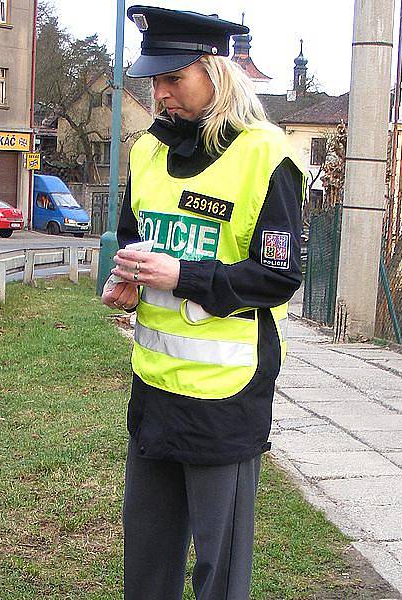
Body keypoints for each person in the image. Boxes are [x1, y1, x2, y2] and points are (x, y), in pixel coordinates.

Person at [101, 6, 304, 600]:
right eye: (154, 81)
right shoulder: (147, 152)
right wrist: (129, 279)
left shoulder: (267, 155)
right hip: (155, 390)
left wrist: (181, 274)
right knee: (147, 560)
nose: (160, 94)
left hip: (226, 398)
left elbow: (279, 275)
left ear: (217, 73)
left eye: (173, 79)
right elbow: (135, 238)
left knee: (219, 570)